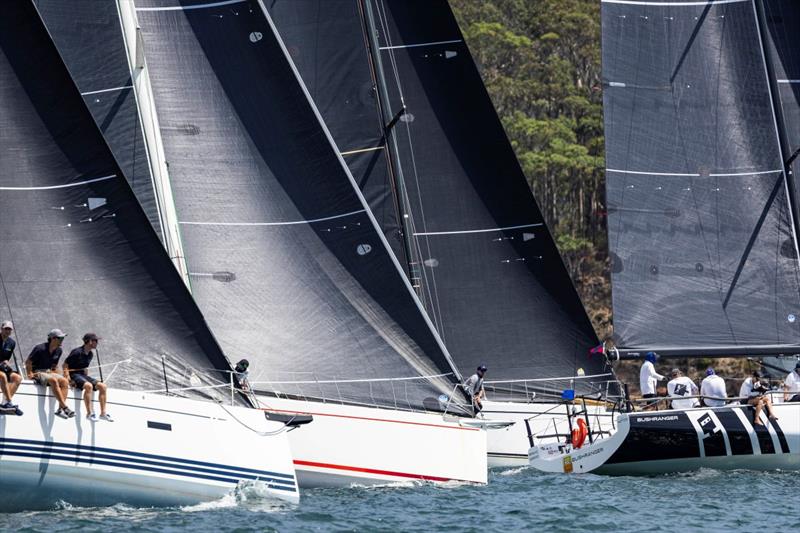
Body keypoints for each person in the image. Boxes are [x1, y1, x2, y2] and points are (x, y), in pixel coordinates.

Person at [25, 329, 74, 419]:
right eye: (60, 338)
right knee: (53, 380)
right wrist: (29, 374)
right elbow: (28, 362)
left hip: (48, 372)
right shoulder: (39, 348)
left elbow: (54, 366)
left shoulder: (59, 350)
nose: (62, 340)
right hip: (38, 371)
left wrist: (58, 373)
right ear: (53, 338)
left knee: (64, 381)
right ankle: (65, 407)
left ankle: (60, 410)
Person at [64, 333, 112, 422]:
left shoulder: (90, 354)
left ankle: (103, 413)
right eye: (96, 341)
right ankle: (89, 413)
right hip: (74, 374)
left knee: (103, 386)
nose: (97, 343)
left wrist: (86, 378)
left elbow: (85, 368)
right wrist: (68, 378)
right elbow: (65, 365)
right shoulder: (77, 352)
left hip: (82, 375)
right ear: (90, 341)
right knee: (88, 386)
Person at [0, 321, 22, 414]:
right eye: (6, 329)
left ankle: (4, 403)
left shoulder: (12, 343)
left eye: (9, 329)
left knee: (17, 378)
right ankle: (9, 402)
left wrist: (6, 362)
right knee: (3, 376)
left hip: (2, 366)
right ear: (1, 329)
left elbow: (6, 358)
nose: (7, 331)